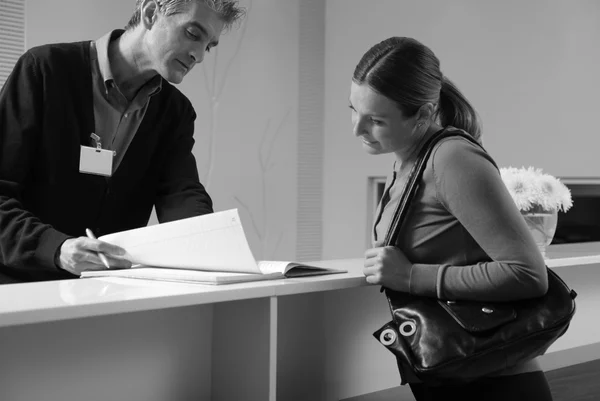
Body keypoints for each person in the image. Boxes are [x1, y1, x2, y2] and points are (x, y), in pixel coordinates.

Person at [351, 37, 554, 400]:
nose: (357, 129)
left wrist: (412, 276)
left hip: (492, 384)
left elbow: (527, 274)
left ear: (425, 114)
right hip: (452, 378)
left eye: (376, 120)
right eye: (353, 110)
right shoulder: (406, 160)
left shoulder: (452, 158)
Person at [0, 0, 245, 284]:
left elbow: (181, 194)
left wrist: (214, 244)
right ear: (151, 13)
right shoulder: (44, 70)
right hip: (17, 291)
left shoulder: (175, 112)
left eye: (209, 46)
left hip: (110, 296)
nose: (200, 55)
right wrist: (57, 249)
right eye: (193, 33)